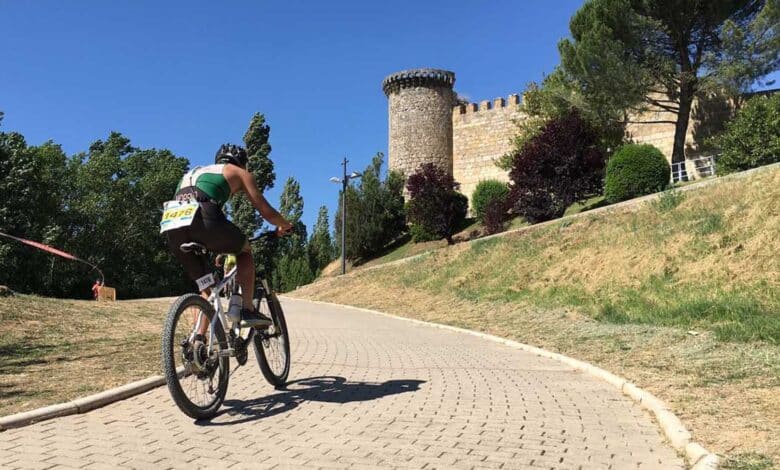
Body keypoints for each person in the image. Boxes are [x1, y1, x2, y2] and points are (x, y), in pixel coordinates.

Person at [164, 143, 292, 328]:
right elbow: (267, 212)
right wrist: (284, 225)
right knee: (245, 250)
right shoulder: (238, 172)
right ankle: (247, 309)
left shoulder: (193, 172)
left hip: (172, 226)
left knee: (207, 289)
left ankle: (197, 341)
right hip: (203, 216)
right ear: (242, 163)